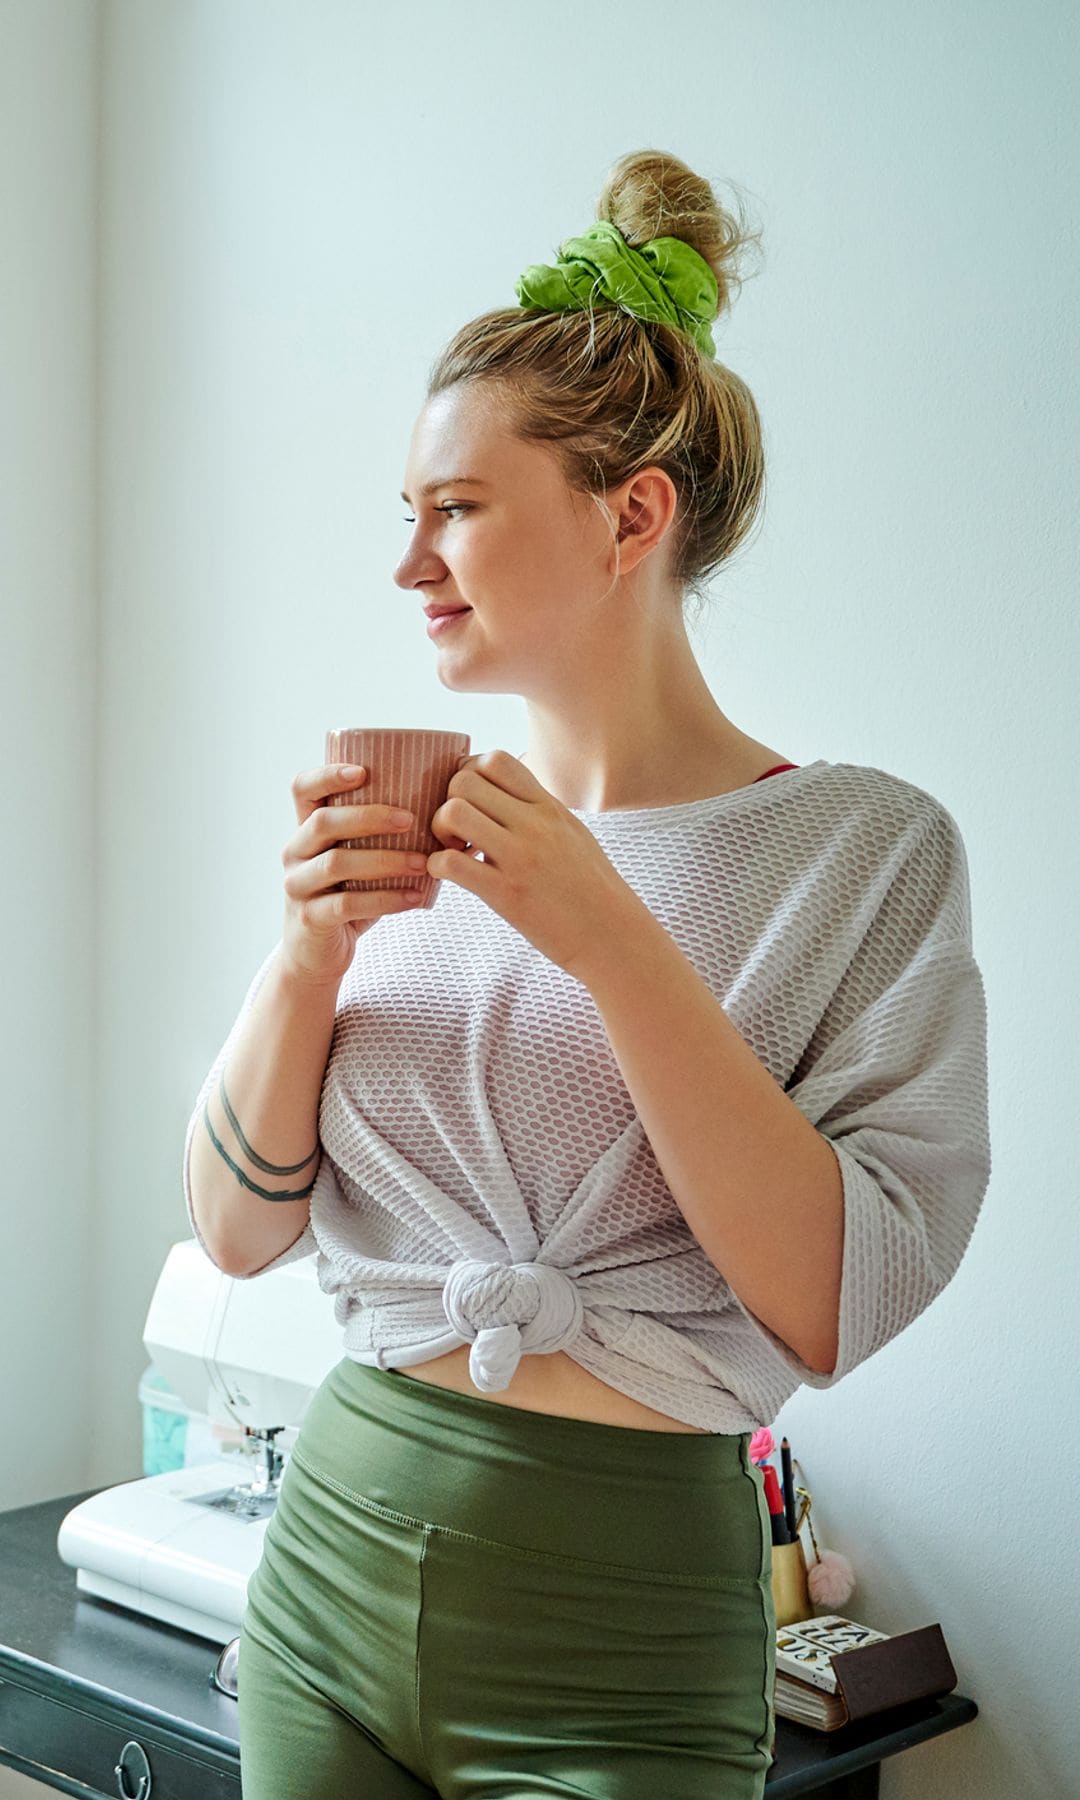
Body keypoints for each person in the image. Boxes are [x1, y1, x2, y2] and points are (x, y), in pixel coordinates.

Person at [184, 148, 991, 1799]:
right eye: (407, 515)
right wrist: (306, 955)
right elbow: (234, 1230)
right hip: (331, 1564)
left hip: (628, 1625)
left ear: (633, 514)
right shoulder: (416, 827)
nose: (410, 563)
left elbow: (834, 1302)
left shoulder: (865, 854)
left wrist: (612, 938)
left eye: (457, 509)